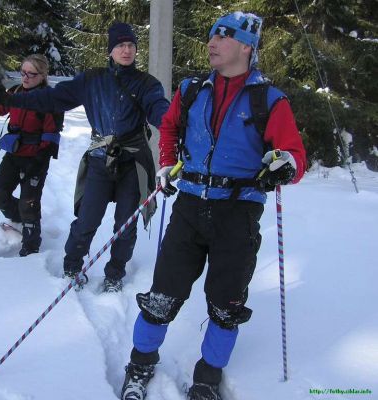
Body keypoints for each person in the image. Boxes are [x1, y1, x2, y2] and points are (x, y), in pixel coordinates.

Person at [120, 12, 307, 400]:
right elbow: (169, 127)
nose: (212, 42)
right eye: (211, 35)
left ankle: (207, 377)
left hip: (237, 215)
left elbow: (294, 155)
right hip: (189, 207)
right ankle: (139, 364)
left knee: (226, 304)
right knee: (163, 294)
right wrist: (168, 161)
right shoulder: (192, 89)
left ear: (246, 46)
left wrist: (285, 165)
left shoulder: (269, 99)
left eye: (223, 36)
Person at [0, 22, 170, 292]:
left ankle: (115, 274)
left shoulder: (146, 84)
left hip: (133, 161)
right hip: (99, 157)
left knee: (125, 223)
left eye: (131, 45)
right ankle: (72, 266)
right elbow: (49, 99)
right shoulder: (92, 80)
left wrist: (174, 124)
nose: (126, 50)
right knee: (87, 218)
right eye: (120, 45)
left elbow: (160, 111)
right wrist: (9, 100)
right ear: (110, 49)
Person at [0, 54, 64, 257]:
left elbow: (52, 135)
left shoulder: (49, 100)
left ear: (42, 75)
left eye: (31, 74)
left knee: (29, 202)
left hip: (36, 157)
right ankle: (21, 218)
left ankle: (32, 243)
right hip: (15, 153)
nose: (25, 78)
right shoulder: (16, 91)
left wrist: (40, 159)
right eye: (23, 72)